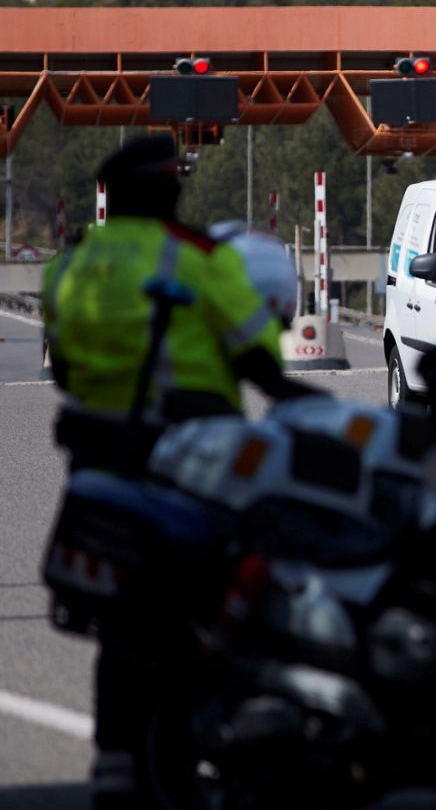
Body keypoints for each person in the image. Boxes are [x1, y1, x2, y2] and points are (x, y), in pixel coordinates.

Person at [40, 135, 317, 809]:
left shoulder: (71, 264)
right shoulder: (198, 259)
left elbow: (68, 367)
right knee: (228, 580)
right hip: (189, 454)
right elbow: (257, 357)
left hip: (98, 455)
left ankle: (114, 763)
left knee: (124, 621)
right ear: (169, 191)